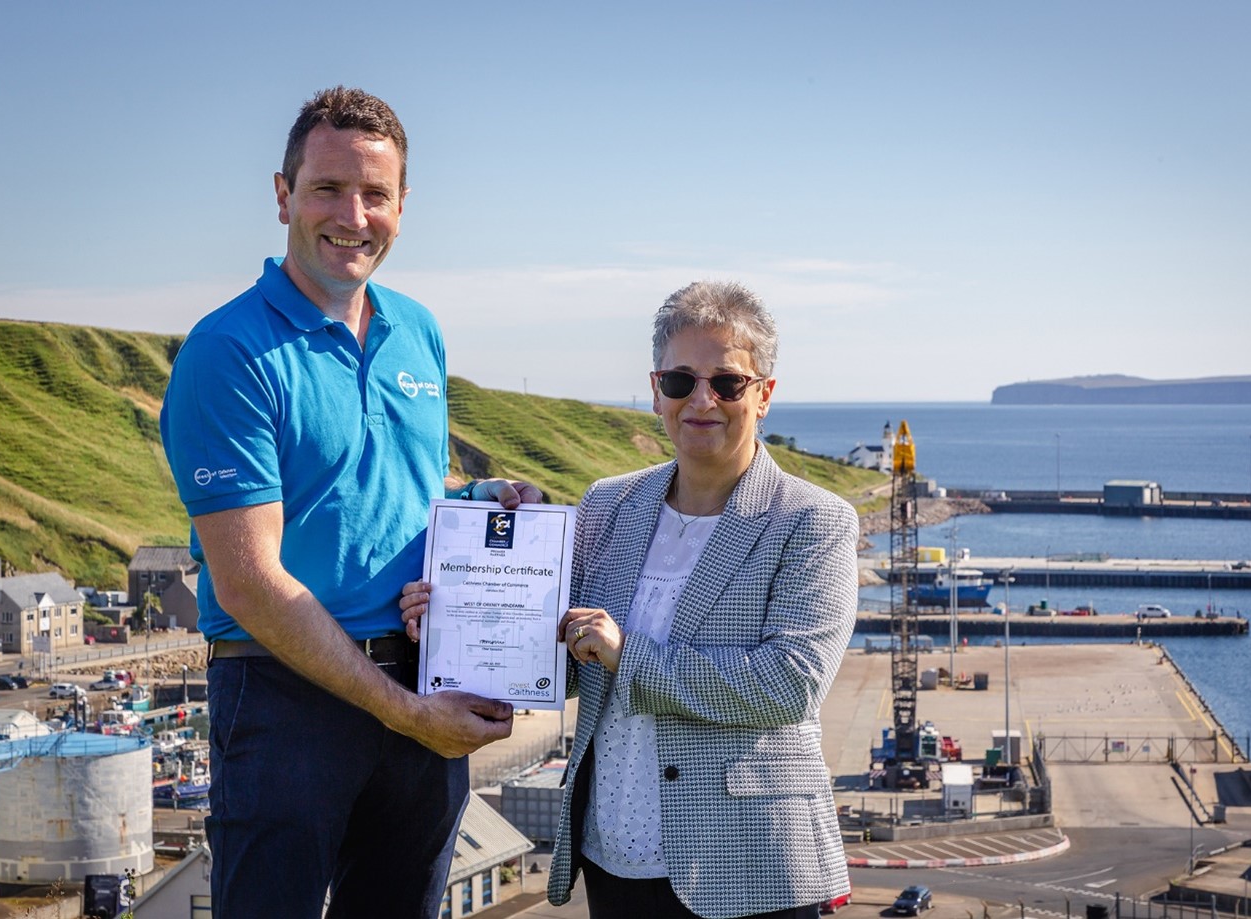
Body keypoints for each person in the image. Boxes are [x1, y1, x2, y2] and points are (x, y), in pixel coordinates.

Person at [160, 86, 538, 918]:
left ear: (403, 206)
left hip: (420, 674)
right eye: (328, 188)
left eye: (375, 194)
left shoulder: (419, 331)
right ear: (283, 193)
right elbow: (252, 582)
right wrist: (404, 712)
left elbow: (393, 488)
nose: (352, 215)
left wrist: (478, 503)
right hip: (284, 695)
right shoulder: (228, 351)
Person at [402, 280, 858, 918]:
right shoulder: (608, 504)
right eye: (680, 381)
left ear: (765, 395)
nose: (702, 400)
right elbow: (562, 659)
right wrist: (452, 621)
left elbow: (789, 685)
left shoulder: (815, 521)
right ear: (655, 391)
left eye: (727, 382)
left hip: (747, 863)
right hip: (613, 855)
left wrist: (627, 655)